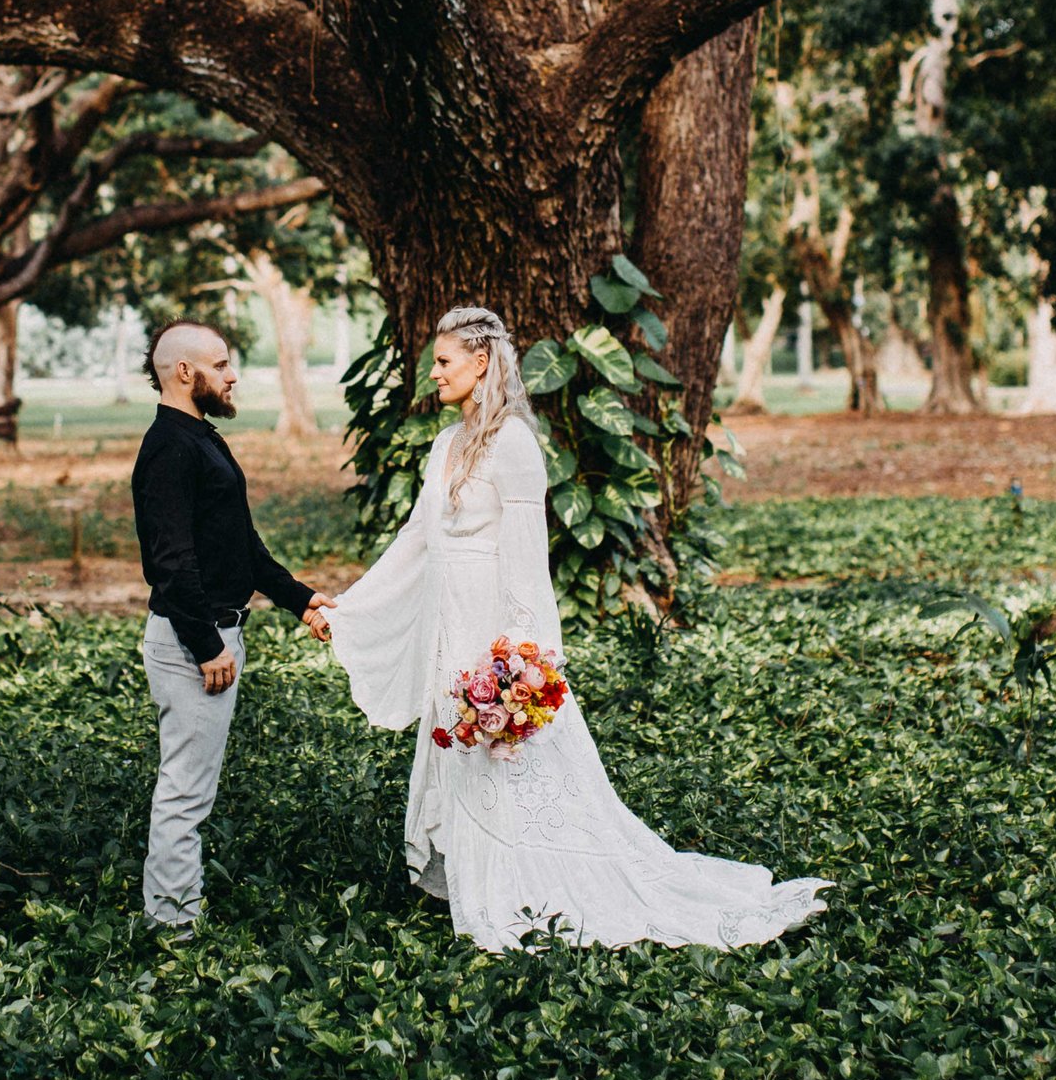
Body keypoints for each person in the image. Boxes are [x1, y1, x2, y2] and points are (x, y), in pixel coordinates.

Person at [326, 305, 829, 952]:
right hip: (451, 631)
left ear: (481, 362)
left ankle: (543, 879)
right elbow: (416, 539)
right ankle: (485, 880)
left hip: (496, 637)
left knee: (523, 765)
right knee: (470, 762)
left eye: (444, 360)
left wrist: (524, 665)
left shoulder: (512, 443)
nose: (434, 372)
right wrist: (349, 604)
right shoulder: (445, 444)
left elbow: (527, 563)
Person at [133, 319, 335, 937]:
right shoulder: (169, 447)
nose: (232, 373)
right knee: (185, 794)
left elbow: (238, 545)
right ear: (185, 373)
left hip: (217, 636)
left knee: (192, 789)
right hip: (196, 644)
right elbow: (171, 562)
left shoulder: (202, 439)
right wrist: (207, 644)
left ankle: (175, 917)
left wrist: (300, 600)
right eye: (220, 364)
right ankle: (171, 930)